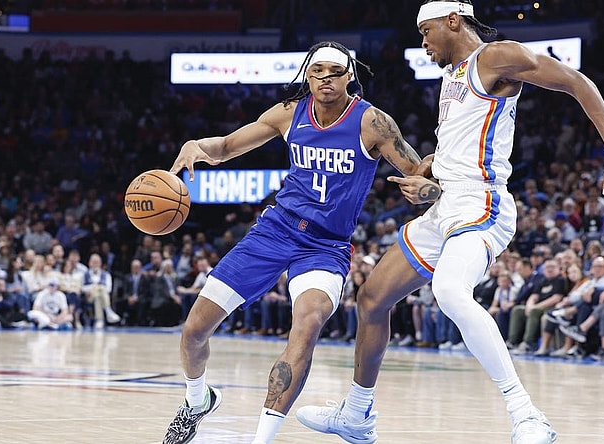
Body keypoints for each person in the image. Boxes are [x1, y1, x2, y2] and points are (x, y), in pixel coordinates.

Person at [296, 2, 604, 443]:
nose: (423, 41)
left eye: (426, 30)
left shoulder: (494, 57)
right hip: (444, 207)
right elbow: (466, 140)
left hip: (481, 203)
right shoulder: (451, 76)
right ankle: (357, 415)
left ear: (453, 21)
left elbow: (576, 82)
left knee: (450, 291)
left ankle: (528, 415)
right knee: (372, 298)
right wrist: (434, 165)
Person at [162, 41, 428, 444]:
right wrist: (197, 146)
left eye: (334, 71)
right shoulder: (289, 112)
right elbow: (228, 146)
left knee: (306, 325)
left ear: (349, 76)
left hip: (326, 246)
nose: (325, 77)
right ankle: (197, 400)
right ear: (308, 74)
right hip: (276, 230)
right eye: (317, 70)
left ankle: (261, 439)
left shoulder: (371, 122)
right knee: (194, 331)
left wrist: (426, 188)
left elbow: (417, 170)